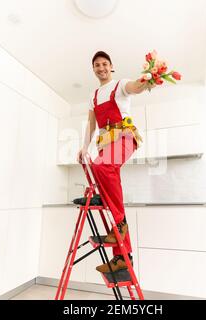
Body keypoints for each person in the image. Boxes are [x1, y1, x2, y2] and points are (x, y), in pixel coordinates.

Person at [77, 51, 155, 273]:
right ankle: (123, 256)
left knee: (102, 166)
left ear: (111, 66)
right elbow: (91, 125)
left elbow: (135, 87)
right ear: (93, 69)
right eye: (96, 65)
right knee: (105, 183)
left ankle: (119, 225)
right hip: (105, 143)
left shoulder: (119, 84)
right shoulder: (93, 96)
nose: (100, 67)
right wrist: (85, 146)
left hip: (124, 136)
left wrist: (147, 79)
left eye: (104, 64)